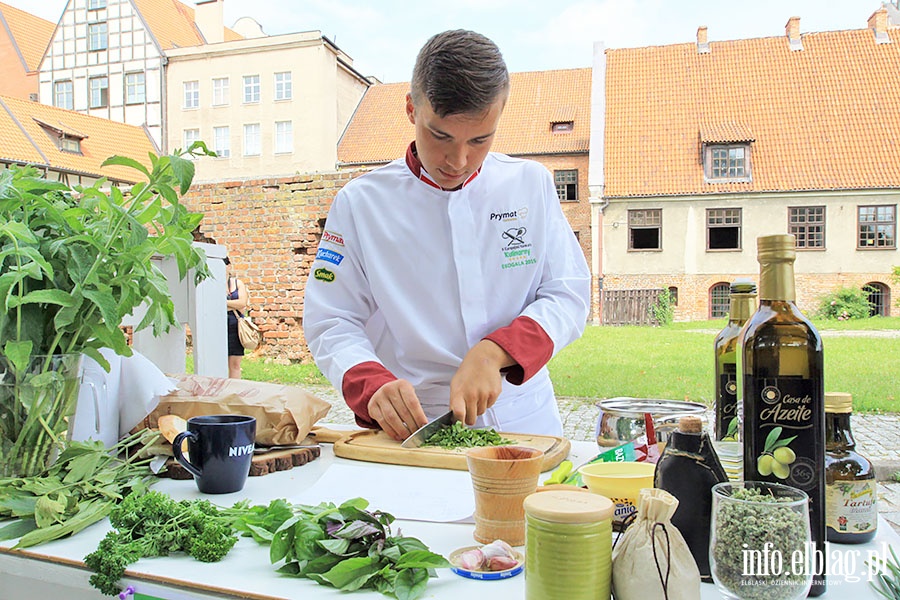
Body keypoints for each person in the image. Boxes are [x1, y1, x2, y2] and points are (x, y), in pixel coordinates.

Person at [303, 29, 590, 441]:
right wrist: (371, 384)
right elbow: (331, 319)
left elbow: (568, 293)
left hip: (524, 418)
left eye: (480, 139)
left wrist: (496, 353)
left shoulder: (531, 185)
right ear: (410, 109)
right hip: (414, 422)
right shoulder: (360, 204)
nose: (459, 161)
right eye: (441, 136)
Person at [224, 256, 249, 379]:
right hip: (218, 324)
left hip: (235, 325)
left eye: (224, 265)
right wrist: (234, 304)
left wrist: (223, 303)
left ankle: (235, 390)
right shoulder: (212, 284)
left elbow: (242, 304)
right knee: (219, 361)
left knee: (235, 363)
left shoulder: (237, 283)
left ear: (229, 266)